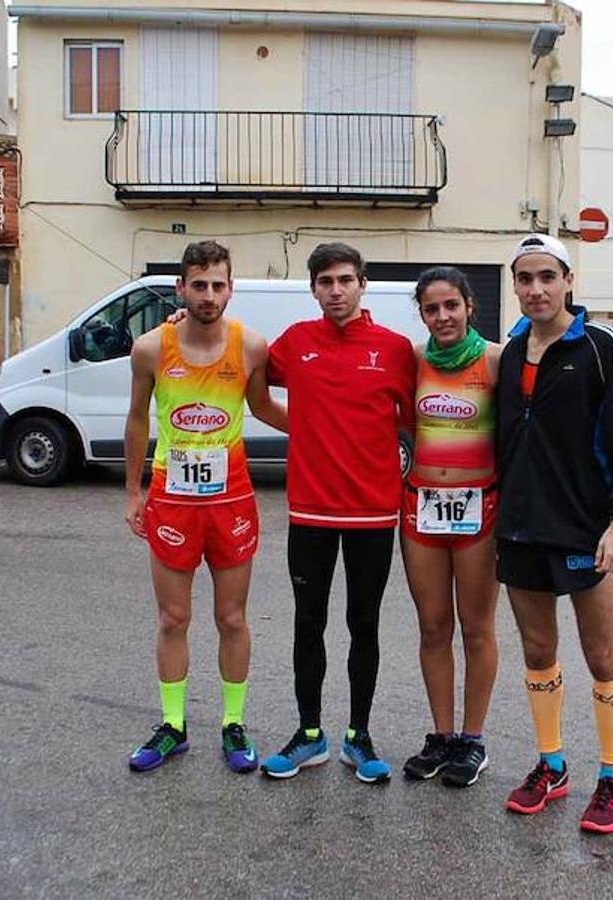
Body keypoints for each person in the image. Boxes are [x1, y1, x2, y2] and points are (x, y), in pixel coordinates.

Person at [495, 233, 613, 835]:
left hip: (586, 528)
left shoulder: (600, 343)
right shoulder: (510, 353)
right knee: (538, 651)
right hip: (522, 526)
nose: (535, 289)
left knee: (600, 653)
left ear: (567, 282)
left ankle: (611, 777)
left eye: (546, 277)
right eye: (525, 279)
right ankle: (552, 765)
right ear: (515, 286)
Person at [123, 240, 288, 773]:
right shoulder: (150, 348)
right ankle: (173, 726)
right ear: (180, 288)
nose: (209, 295)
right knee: (173, 617)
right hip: (172, 497)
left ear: (231, 289)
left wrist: (324, 431)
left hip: (231, 498)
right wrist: (133, 491)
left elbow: (263, 405)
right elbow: (137, 420)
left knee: (231, 616)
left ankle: (232, 724)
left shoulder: (251, 346)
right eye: (199, 284)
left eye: (218, 285)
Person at [259, 242, 417, 784]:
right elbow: (243, 369)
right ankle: (309, 734)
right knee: (309, 623)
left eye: (345, 280)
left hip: (374, 514)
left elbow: (418, 422)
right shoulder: (296, 342)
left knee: (363, 624)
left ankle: (359, 735)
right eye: (325, 281)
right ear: (314, 288)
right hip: (310, 512)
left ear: (362, 284)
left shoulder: (394, 349)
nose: (336, 290)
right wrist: (300, 430)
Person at [399, 267, 501, 788]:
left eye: (451, 306)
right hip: (421, 507)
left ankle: (473, 739)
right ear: (421, 313)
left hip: (479, 507)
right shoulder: (412, 361)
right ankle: (441, 736)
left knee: (477, 627)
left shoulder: (495, 360)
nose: (442, 317)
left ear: (468, 307)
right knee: (433, 626)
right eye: (431, 309)